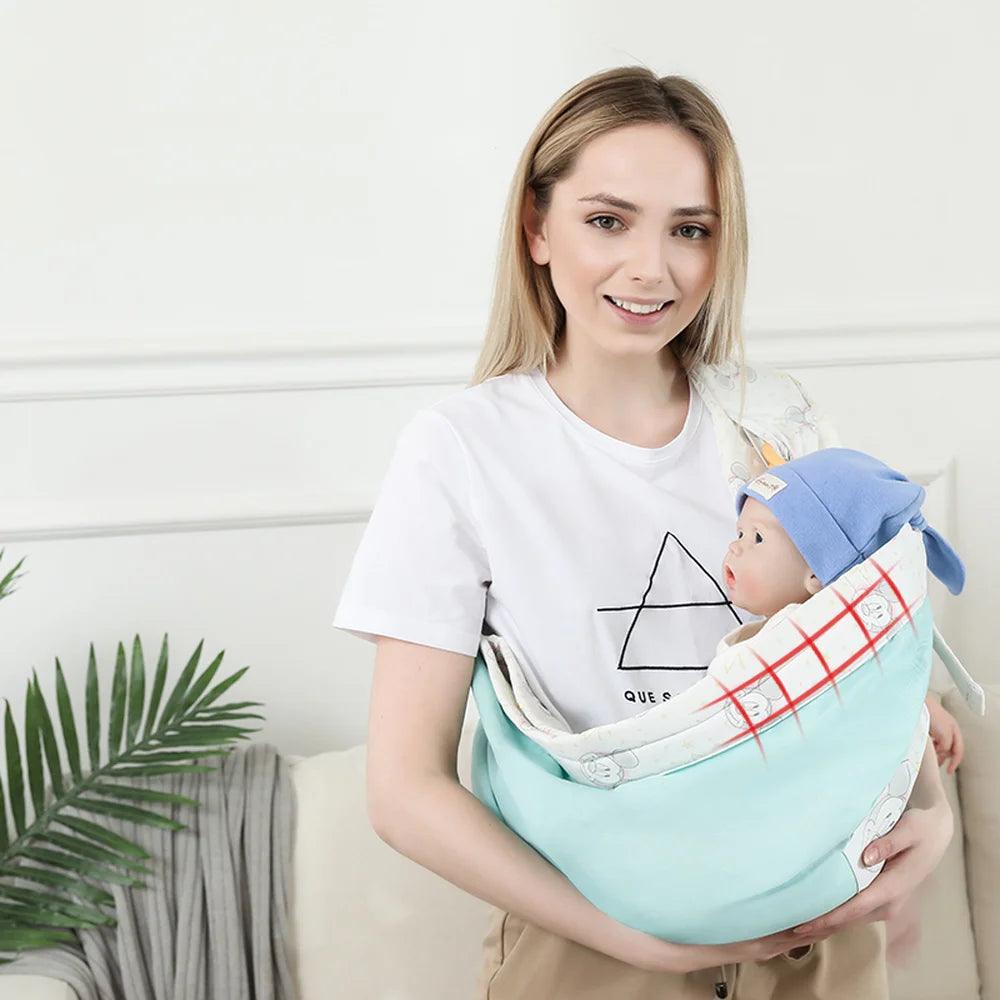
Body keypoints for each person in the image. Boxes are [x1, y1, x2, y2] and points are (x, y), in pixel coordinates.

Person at [332, 67, 955, 999]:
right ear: (537, 229)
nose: (651, 268)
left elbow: (881, 678)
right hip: (595, 952)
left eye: (691, 230)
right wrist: (640, 947)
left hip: (817, 947)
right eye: (607, 220)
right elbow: (405, 792)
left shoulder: (778, 422)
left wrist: (934, 823)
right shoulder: (461, 451)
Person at [721, 448, 966, 770]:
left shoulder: (828, 654)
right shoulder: (769, 640)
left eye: (757, 538)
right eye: (740, 532)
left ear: (817, 573)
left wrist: (922, 706)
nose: (734, 546)